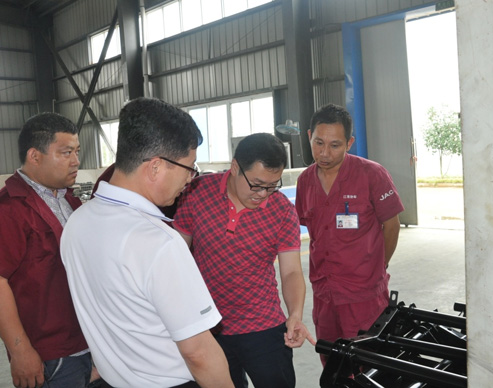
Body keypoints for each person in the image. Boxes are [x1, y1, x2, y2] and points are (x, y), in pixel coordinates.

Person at [60, 97, 233, 388]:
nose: (189, 180)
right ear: (155, 167)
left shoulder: (77, 223)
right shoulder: (158, 242)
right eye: (189, 168)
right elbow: (199, 353)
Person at [174, 132, 315, 388]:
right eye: (257, 184)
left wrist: (295, 314)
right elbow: (177, 257)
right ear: (235, 167)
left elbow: (292, 272)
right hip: (208, 327)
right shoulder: (197, 193)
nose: (263, 194)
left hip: (263, 326)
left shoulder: (282, 210)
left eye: (272, 186)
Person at [295, 104, 404, 364]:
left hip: (364, 294)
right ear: (309, 136)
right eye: (318, 143)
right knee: (332, 363)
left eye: (335, 145)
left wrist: (379, 266)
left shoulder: (371, 174)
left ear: (349, 143)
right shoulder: (305, 181)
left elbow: (392, 226)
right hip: (324, 295)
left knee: (368, 364)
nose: (324, 153)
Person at [0, 113, 92, 388]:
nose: (76, 161)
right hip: (49, 355)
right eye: (66, 152)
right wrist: (20, 351)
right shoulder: (10, 210)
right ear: (34, 156)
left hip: (87, 342)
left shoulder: (69, 201)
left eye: (76, 152)